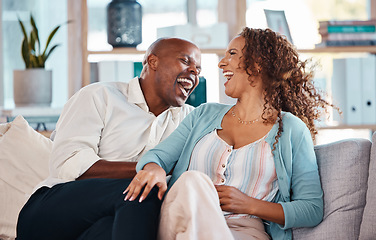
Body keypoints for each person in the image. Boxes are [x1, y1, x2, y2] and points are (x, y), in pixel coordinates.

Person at [124, 27, 336, 240]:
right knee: (192, 181)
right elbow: (157, 157)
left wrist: (250, 205)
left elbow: (311, 209)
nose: (221, 63)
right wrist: (155, 169)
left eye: (232, 54)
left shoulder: (291, 129)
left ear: (259, 63)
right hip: (183, 220)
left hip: (244, 232)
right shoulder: (203, 115)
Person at [16, 37, 202, 240]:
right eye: (185, 61)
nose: (194, 71)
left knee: (113, 227)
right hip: (49, 213)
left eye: (198, 69)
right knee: (142, 191)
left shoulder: (189, 120)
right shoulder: (100, 96)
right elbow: (67, 164)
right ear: (153, 62)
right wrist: (148, 169)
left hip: (107, 221)